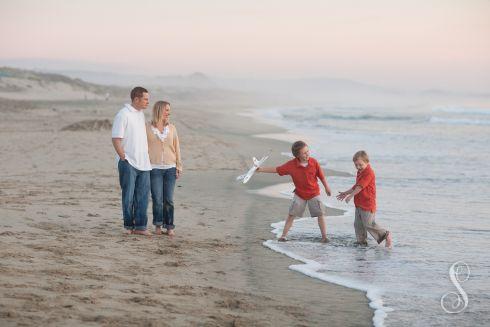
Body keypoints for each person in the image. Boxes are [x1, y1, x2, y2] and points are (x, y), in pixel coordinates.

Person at [257, 141, 332, 242]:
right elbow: (277, 169)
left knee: (320, 214)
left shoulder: (314, 162)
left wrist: (327, 187)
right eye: (304, 153)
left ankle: (324, 237)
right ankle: (283, 236)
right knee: (291, 215)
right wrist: (260, 169)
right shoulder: (291, 165)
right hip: (299, 194)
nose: (307, 154)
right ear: (297, 155)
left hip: (314, 193)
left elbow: (321, 176)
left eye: (308, 151)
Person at [111, 87, 152, 236]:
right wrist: (124, 158)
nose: (148, 102)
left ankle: (141, 227)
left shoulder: (141, 115)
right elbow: (116, 138)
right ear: (136, 99)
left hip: (144, 163)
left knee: (143, 196)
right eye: (145, 99)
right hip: (128, 162)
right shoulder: (123, 115)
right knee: (128, 195)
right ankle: (128, 226)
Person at [337, 150, 393, 248]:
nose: (358, 167)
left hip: (367, 203)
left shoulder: (369, 173)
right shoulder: (360, 172)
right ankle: (361, 242)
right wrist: (346, 193)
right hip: (359, 203)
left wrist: (350, 196)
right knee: (358, 225)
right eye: (356, 165)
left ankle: (385, 234)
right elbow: (356, 186)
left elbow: (360, 187)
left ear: (367, 162)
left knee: (368, 224)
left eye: (360, 165)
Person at [146, 101, 182, 236]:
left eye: (169, 110)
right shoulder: (147, 128)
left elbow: (177, 147)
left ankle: (170, 226)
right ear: (159, 110)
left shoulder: (172, 128)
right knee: (157, 198)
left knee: (169, 199)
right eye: (166, 110)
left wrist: (179, 166)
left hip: (170, 168)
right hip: (154, 168)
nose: (169, 112)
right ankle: (158, 225)